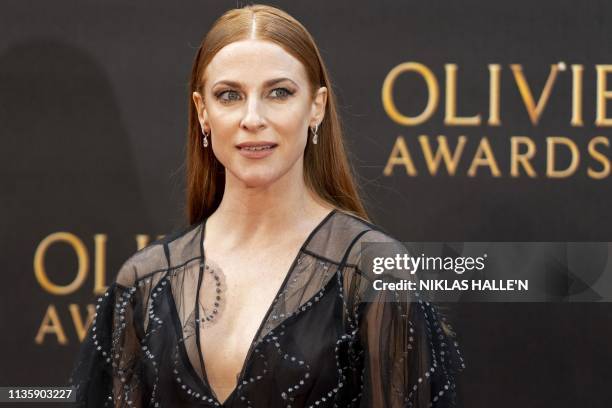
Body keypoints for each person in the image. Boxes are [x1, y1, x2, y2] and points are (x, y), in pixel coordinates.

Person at [69, 4, 464, 407]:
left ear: (317, 107)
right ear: (203, 113)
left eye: (279, 92)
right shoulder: (144, 281)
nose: (252, 117)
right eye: (229, 95)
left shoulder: (372, 274)